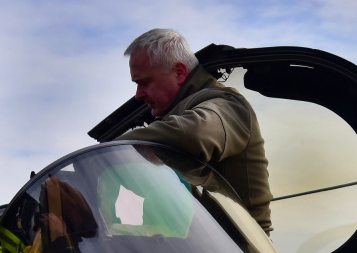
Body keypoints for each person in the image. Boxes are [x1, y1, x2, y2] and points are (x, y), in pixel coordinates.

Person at [116, 28, 273, 232]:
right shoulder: (176, 115)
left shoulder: (228, 104)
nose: (138, 94)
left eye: (144, 82)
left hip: (239, 247)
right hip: (198, 244)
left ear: (179, 72)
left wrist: (110, 150)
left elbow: (195, 134)